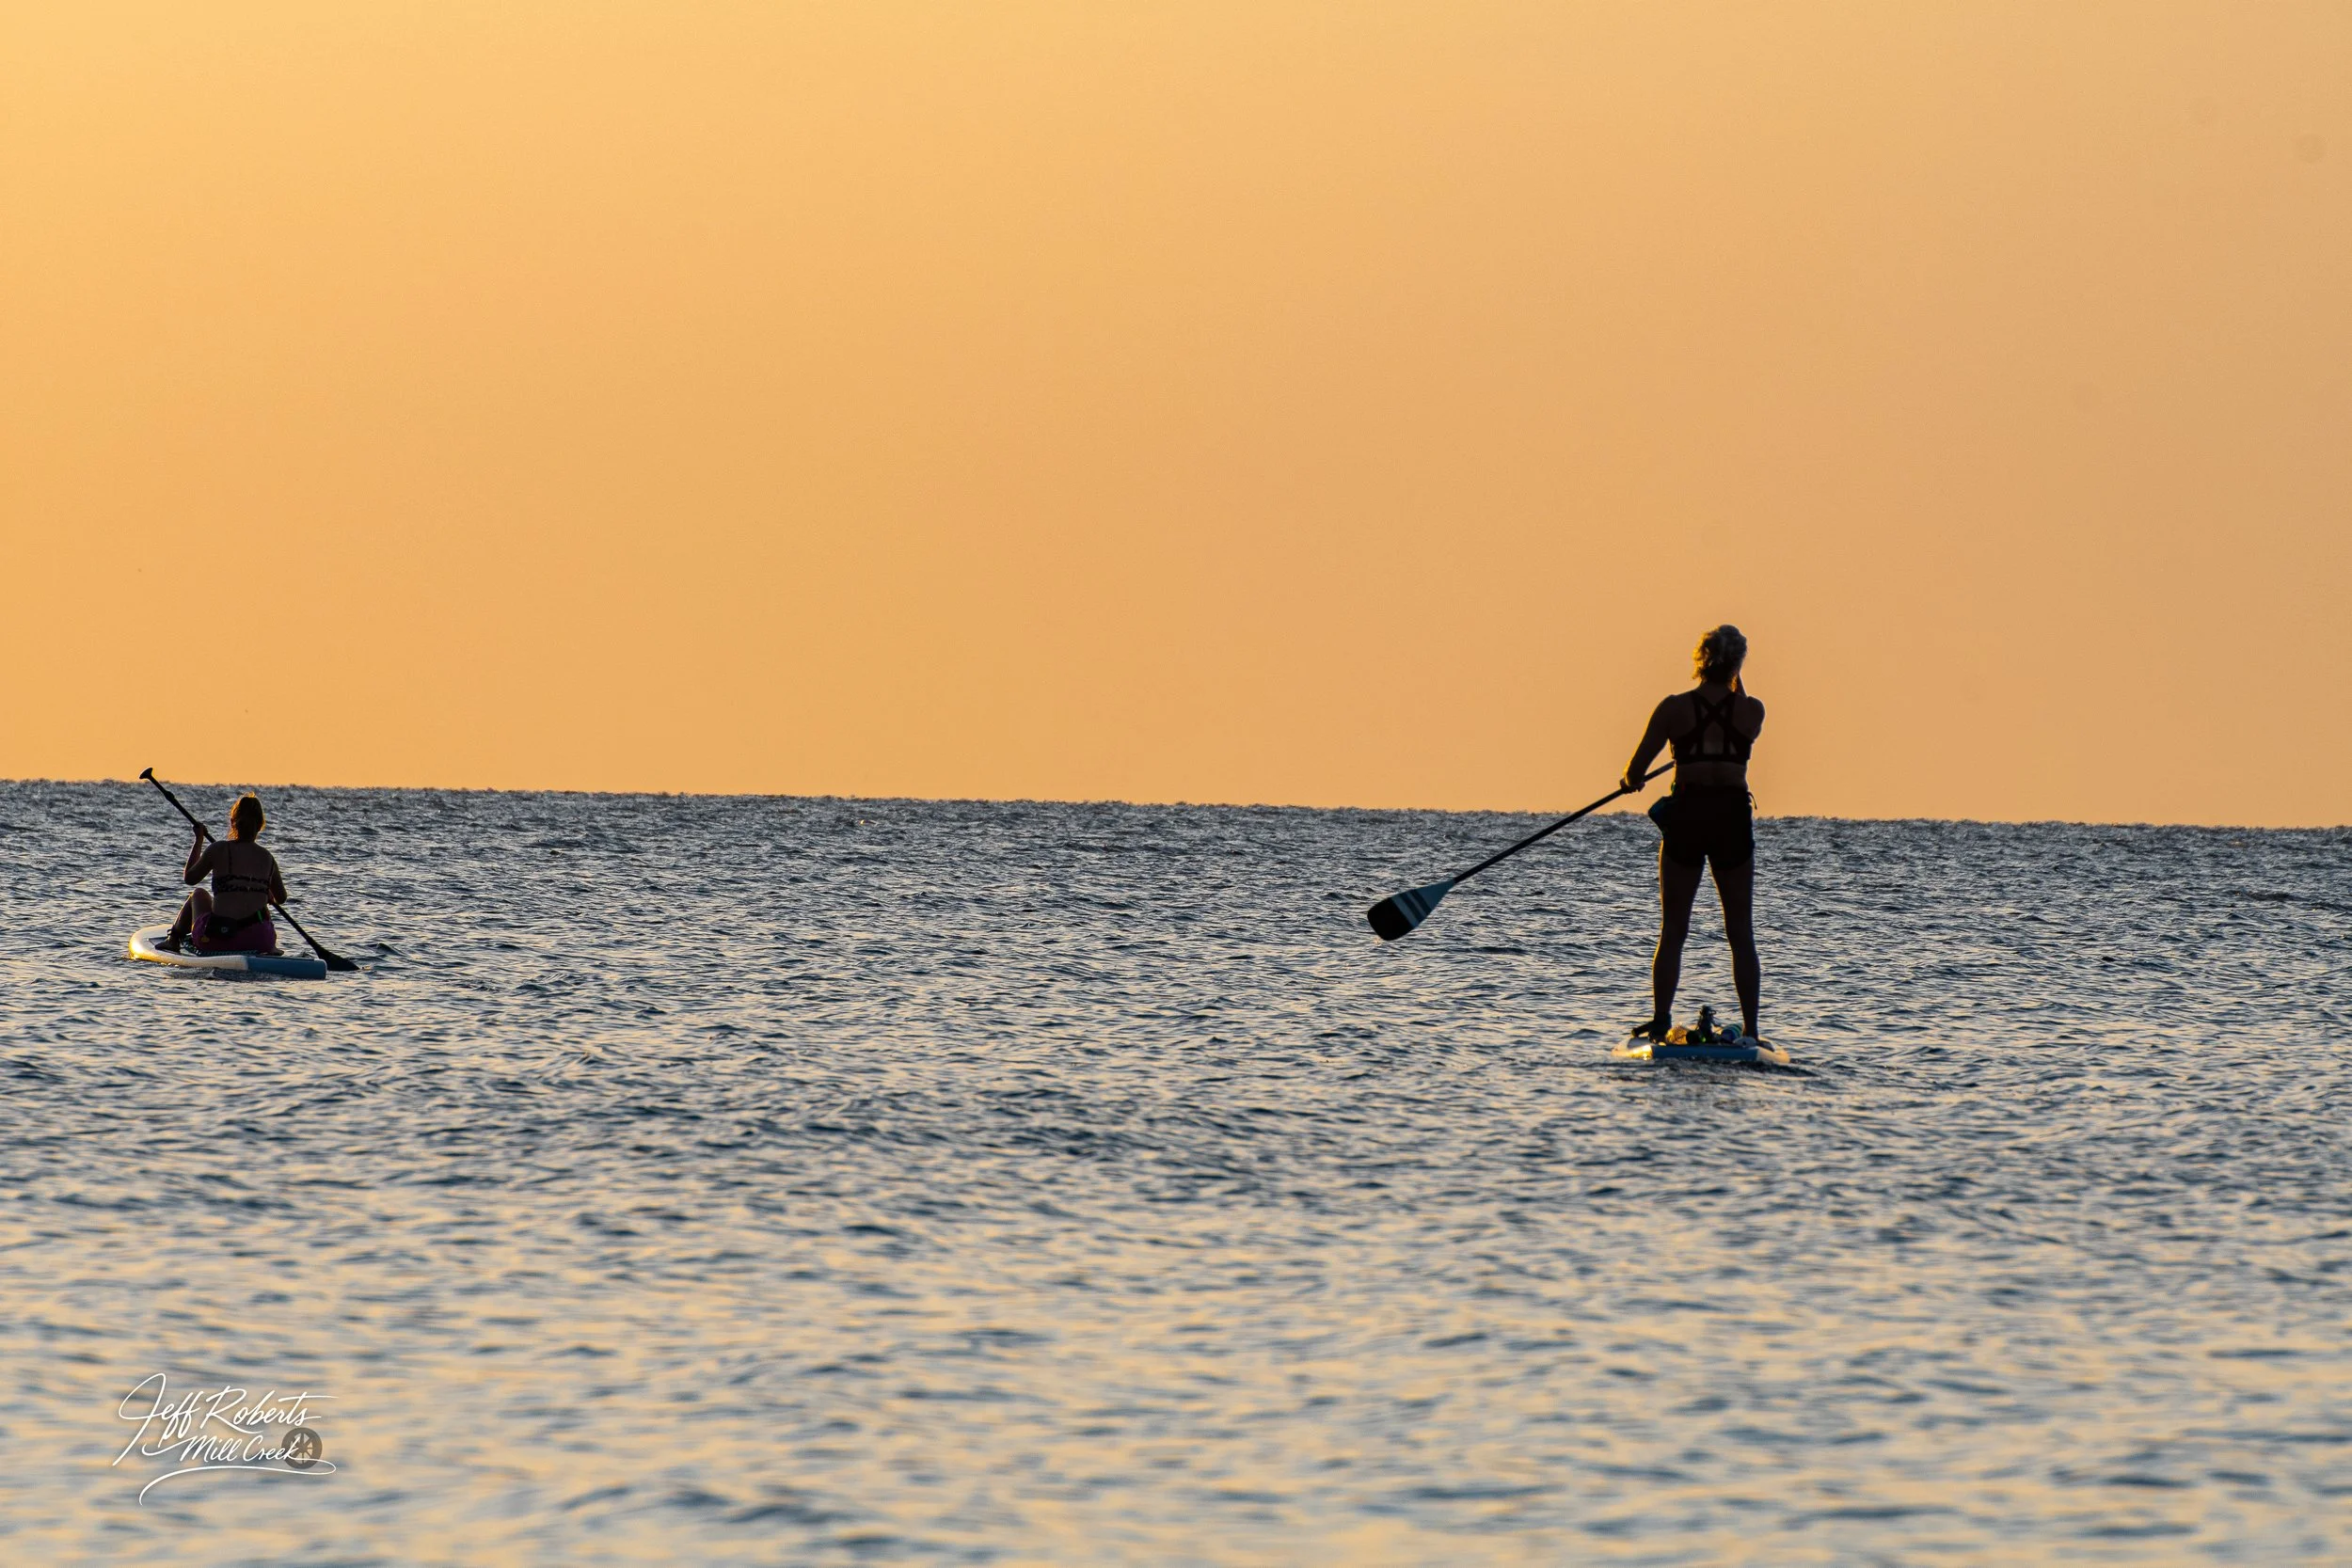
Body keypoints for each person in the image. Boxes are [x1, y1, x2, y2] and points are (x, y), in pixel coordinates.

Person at [1620, 626, 1765, 1042]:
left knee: (1674, 930)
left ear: (1700, 659)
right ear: (1737, 664)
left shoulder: (1673, 709)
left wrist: (1631, 781)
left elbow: (1635, 772)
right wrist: (1734, 675)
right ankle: (1752, 1030)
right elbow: (1739, 700)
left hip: (1688, 815)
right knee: (1741, 931)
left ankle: (1662, 1019)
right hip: (1730, 818)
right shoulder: (1752, 711)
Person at [160, 792, 288, 955]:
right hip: (260, 941)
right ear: (261, 824)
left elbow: (190, 878)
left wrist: (198, 840)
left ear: (233, 822)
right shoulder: (268, 858)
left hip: (218, 938)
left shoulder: (218, 849)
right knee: (261, 913)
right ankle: (271, 948)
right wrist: (263, 891)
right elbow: (281, 898)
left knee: (198, 894)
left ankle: (174, 939)